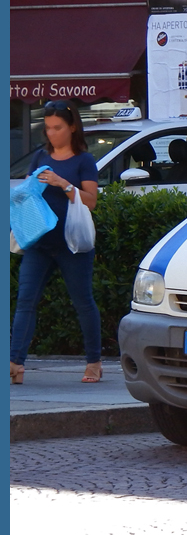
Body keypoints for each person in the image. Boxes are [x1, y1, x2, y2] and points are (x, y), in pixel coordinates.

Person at [10, 100, 102, 385]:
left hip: (71, 243)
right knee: (26, 300)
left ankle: (94, 362)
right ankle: (16, 364)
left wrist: (63, 184)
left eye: (57, 127)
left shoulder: (84, 161)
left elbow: (91, 201)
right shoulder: (40, 156)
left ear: (72, 127)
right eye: (48, 128)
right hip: (39, 242)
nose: (52, 133)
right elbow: (27, 192)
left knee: (82, 302)